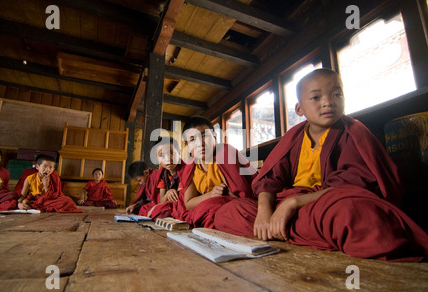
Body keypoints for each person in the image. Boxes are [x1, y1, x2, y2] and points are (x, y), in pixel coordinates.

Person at [221, 68, 428, 262]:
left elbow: (352, 186)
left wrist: (294, 204)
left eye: (336, 95)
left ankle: (284, 231)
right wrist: (264, 212)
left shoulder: (354, 133)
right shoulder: (293, 138)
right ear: (299, 109)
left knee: (355, 213)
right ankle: (286, 229)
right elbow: (269, 180)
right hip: (290, 210)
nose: (328, 102)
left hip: (325, 205)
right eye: (316, 97)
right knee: (230, 211)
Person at [174, 115, 258, 229]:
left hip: (234, 206)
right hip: (212, 207)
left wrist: (211, 199)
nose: (200, 143)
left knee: (232, 212)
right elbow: (188, 203)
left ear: (215, 137)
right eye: (193, 139)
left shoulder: (225, 153)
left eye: (204, 136)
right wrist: (211, 195)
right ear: (187, 146)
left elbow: (237, 196)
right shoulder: (191, 167)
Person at [16, 154, 83, 213]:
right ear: (37, 167)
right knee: (24, 202)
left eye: (51, 167)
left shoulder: (54, 177)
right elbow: (22, 195)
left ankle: (36, 206)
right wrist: (19, 204)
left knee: (68, 200)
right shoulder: (30, 178)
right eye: (45, 166)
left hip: (48, 200)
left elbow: (55, 195)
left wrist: (46, 185)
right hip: (35, 199)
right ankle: (35, 206)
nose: (48, 169)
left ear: (54, 169)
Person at [144, 136, 186, 219]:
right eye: (162, 155)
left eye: (171, 153)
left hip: (182, 204)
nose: (168, 159)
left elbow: (180, 199)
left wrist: (156, 208)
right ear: (157, 158)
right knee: (147, 209)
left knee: (164, 212)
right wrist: (167, 194)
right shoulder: (163, 173)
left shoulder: (185, 170)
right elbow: (161, 200)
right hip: (169, 203)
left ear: (179, 153)